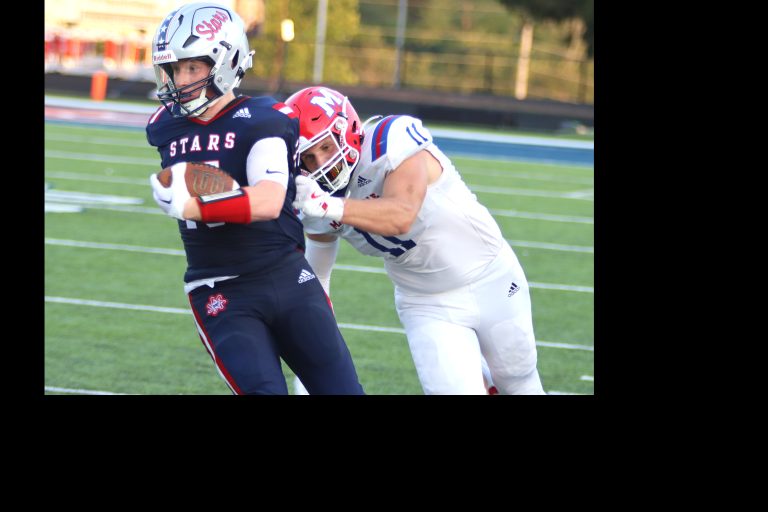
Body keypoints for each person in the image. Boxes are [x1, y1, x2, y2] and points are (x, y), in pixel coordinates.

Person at [146, 3, 364, 395]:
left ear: (226, 61)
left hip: (287, 278)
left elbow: (267, 201)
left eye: (192, 67)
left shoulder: (265, 117)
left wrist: (192, 202)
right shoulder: (165, 127)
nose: (181, 79)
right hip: (220, 291)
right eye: (175, 69)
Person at [286, 86, 546, 395]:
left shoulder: (389, 140)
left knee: (519, 382)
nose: (320, 164)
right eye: (308, 157)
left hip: (490, 278)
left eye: (326, 147)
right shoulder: (316, 201)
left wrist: (329, 205)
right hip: (425, 302)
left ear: (348, 129)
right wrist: (313, 357)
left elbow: (402, 214)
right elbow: (318, 280)